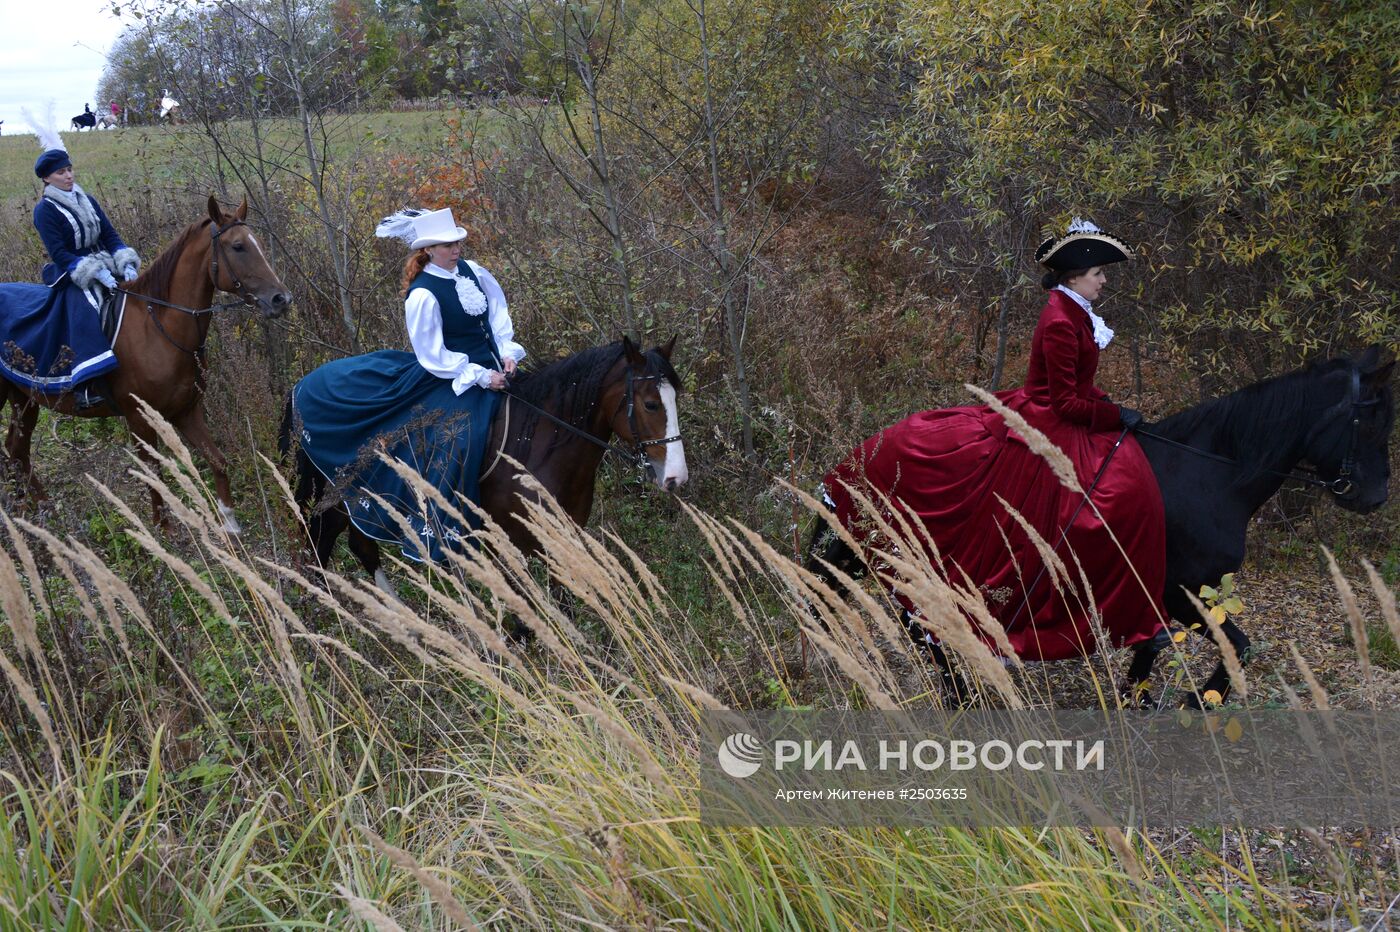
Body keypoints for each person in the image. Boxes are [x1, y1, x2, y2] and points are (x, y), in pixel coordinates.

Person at [824, 218, 1167, 663]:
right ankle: (1040, 612)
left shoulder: (1077, 312)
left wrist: (1108, 406)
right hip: (1049, 422)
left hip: (1056, 414)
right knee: (1095, 508)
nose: (1104, 280)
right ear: (1075, 276)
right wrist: (1113, 415)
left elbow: (1078, 387)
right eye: (1099, 272)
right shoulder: (1061, 319)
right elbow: (1064, 402)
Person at [291, 207, 526, 562]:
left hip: (496, 370)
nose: (456, 249)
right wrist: (481, 376)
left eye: (457, 242)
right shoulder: (423, 294)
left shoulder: (475, 272)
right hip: (451, 378)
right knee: (455, 443)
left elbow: (498, 317)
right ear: (429, 250)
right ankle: (441, 534)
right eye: (447, 245)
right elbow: (433, 354)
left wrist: (507, 355)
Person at [25, 139, 140, 408]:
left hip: (108, 265)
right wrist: (95, 272)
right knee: (85, 308)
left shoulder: (87, 199)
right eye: (60, 173)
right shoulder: (45, 210)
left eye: (69, 169)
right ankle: (85, 383)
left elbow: (110, 236)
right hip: (73, 271)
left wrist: (125, 262)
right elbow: (60, 254)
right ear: (46, 179)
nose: (68, 176)